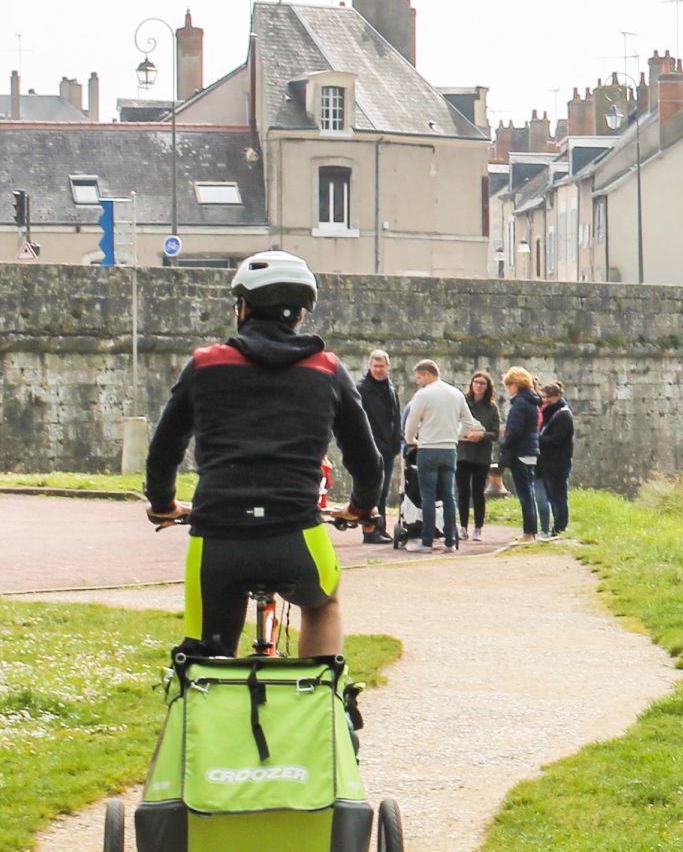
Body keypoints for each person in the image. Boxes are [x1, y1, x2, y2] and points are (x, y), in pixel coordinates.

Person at [142, 251, 381, 658]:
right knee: (323, 602)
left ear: (243, 307)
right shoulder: (327, 369)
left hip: (218, 536)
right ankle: (320, 695)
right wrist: (360, 508)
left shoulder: (205, 364)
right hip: (295, 534)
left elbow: (164, 450)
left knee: (206, 656)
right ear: (300, 316)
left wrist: (163, 503)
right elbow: (365, 457)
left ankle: (210, 697)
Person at [400, 358, 483, 551]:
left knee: (428, 496)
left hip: (428, 448)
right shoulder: (455, 393)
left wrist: (411, 439)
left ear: (427, 374)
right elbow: (469, 422)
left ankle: (427, 541)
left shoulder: (423, 395)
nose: (418, 381)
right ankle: (450, 542)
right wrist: (456, 434)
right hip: (449, 449)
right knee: (448, 496)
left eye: (419, 377)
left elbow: (411, 423)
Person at [355, 348, 401, 542]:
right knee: (370, 491)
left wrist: (396, 442)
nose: (378, 370)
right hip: (369, 447)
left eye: (381, 366)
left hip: (387, 447)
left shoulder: (390, 388)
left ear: (388, 367)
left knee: (382, 491)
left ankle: (379, 527)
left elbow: (396, 417)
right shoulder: (361, 389)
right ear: (369, 366)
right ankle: (369, 531)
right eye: (375, 366)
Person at [501, 367, 545, 538]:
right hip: (531, 451)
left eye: (509, 385)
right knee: (529, 492)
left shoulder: (519, 403)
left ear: (516, 384)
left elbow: (516, 431)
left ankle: (529, 532)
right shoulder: (532, 402)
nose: (508, 389)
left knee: (525, 494)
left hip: (520, 452)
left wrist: (505, 443)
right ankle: (531, 531)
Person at [457, 370, 500, 535]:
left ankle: (478, 527)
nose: (478, 386)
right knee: (462, 491)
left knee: (478, 492)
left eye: (482, 383)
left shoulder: (491, 408)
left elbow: (495, 433)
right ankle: (462, 526)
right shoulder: (463, 402)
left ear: (487, 386)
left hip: (481, 455)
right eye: (476, 382)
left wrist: (482, 435)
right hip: (463, 452)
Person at [537, 380, 574, 536]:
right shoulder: (553, 413)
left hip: (558, 462)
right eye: (544, 397)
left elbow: (557, 439)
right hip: (549, 462)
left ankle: (560, 526)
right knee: (553, 496)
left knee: (559, 496)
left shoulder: (563, 415)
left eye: (548, 398)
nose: (545, 401)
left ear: (558, 396)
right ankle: (557, 526)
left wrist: (537, 438)